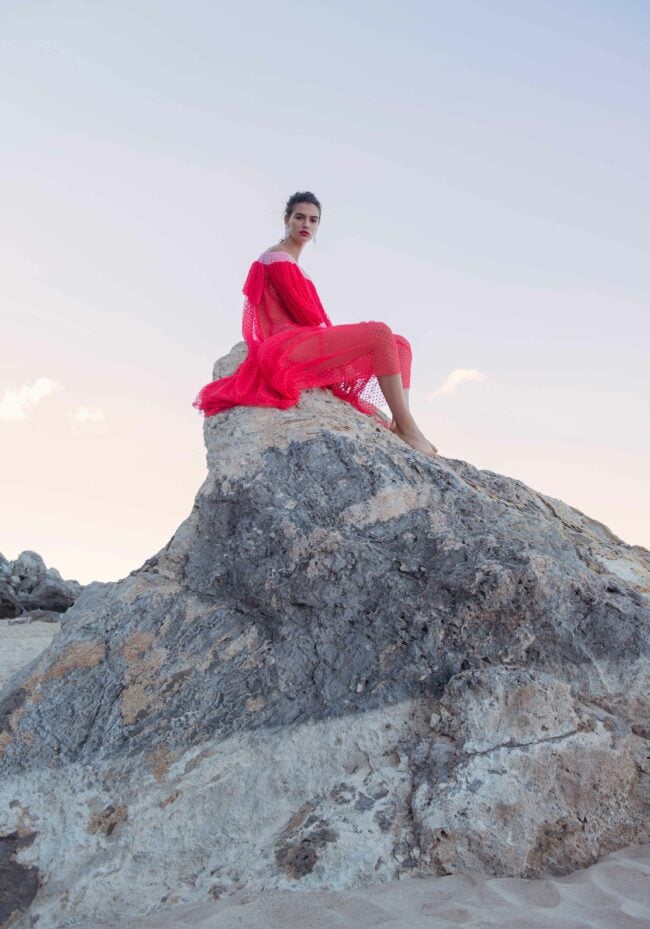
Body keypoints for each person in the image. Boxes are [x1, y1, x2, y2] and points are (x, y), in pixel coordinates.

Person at [193, 192, 438, 458]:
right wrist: (348, 342)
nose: (306, 225)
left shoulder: (300, 269)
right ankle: (408, 427)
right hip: (284, 348)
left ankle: (401, 421)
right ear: (287, 220)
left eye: (313, 220)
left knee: (400, 344)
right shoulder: (276, 258)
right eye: (299, 217)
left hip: (304, 341)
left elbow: (316, 321)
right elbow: (309, 317)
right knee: (379, 333)